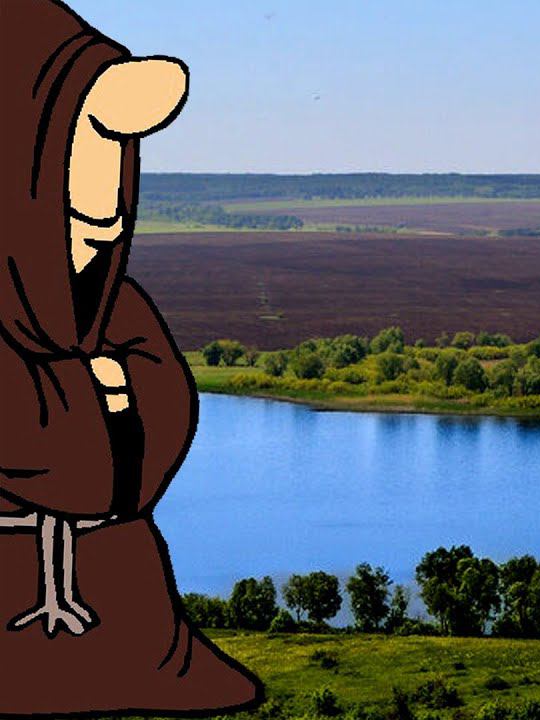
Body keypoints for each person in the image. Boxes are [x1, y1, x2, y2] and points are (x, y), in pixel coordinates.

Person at [0, 0, 263, 714]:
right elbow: (48, 449)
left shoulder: (115, 296)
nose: (107, 215)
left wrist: (74, 399)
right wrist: (105, 391)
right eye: (84, 145)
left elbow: (165, 416)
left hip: (120, 603)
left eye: (121, 151)